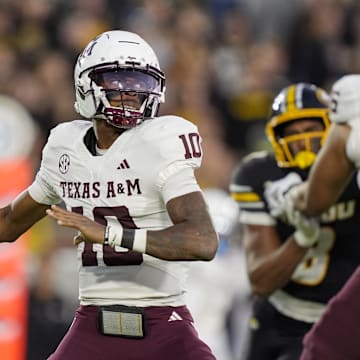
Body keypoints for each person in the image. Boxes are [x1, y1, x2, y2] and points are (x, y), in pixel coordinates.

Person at [0, 30, 219, 360]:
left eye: (140, 84)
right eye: (119, 82)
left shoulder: (160, 143)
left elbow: (202, 240)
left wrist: (110, 234)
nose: (131, 93)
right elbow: (9, 223)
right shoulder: (66, 147)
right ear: (87, 85)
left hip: (162, 324)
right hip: (91, 325)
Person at [229, 82, 360, 360]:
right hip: (283, 314)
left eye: (312, 129)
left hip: (345, 317)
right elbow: (261, 283)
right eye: (292, 132)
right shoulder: (259, 174)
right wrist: (301, 238)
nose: (303, 140)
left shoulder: (352, 166)